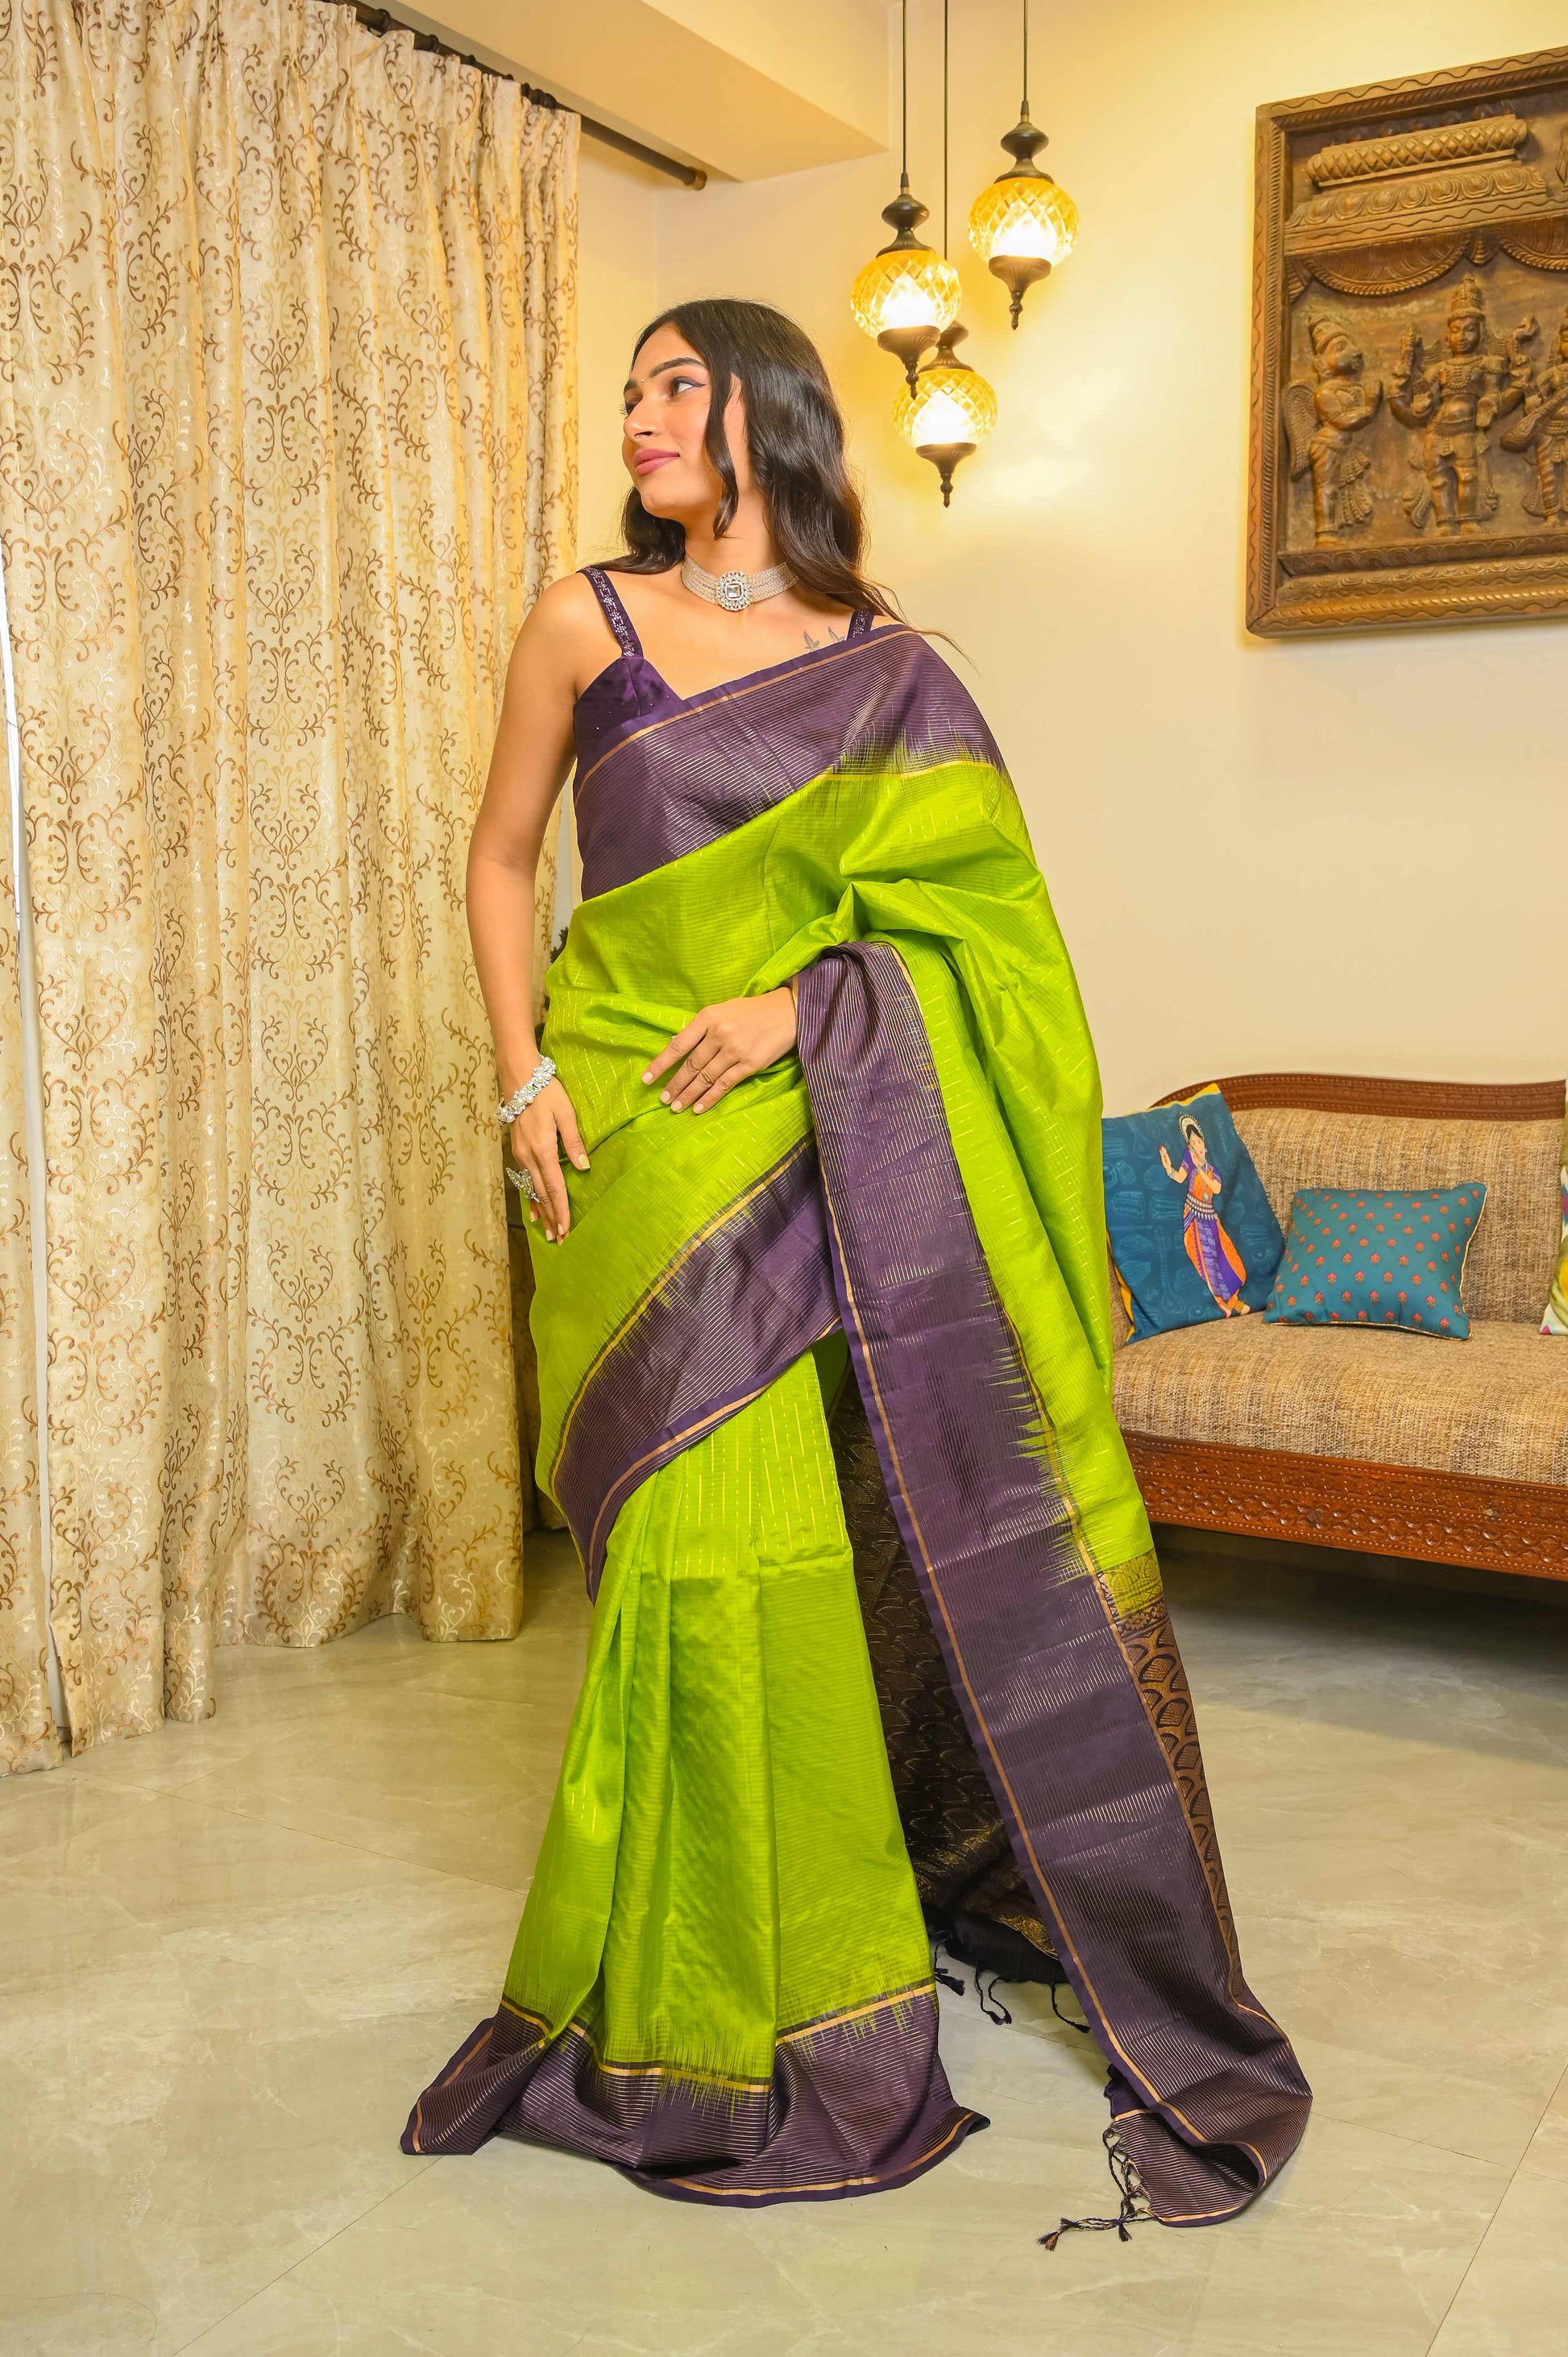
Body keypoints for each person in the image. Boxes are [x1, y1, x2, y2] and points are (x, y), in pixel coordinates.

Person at [402, 298, 1309, 2229]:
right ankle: (682, 1971)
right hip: (623, 1135)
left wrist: (806, 1005)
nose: (637, 415)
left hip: (809, 1129)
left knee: (790, 1544)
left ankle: (804, 1972)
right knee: (676, 1551)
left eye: (674, 383)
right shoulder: (585, 621)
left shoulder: (884, 665)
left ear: (768, 410)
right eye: (629, 391)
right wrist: (520, 1074)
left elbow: (989, 946)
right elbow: (499, 856)